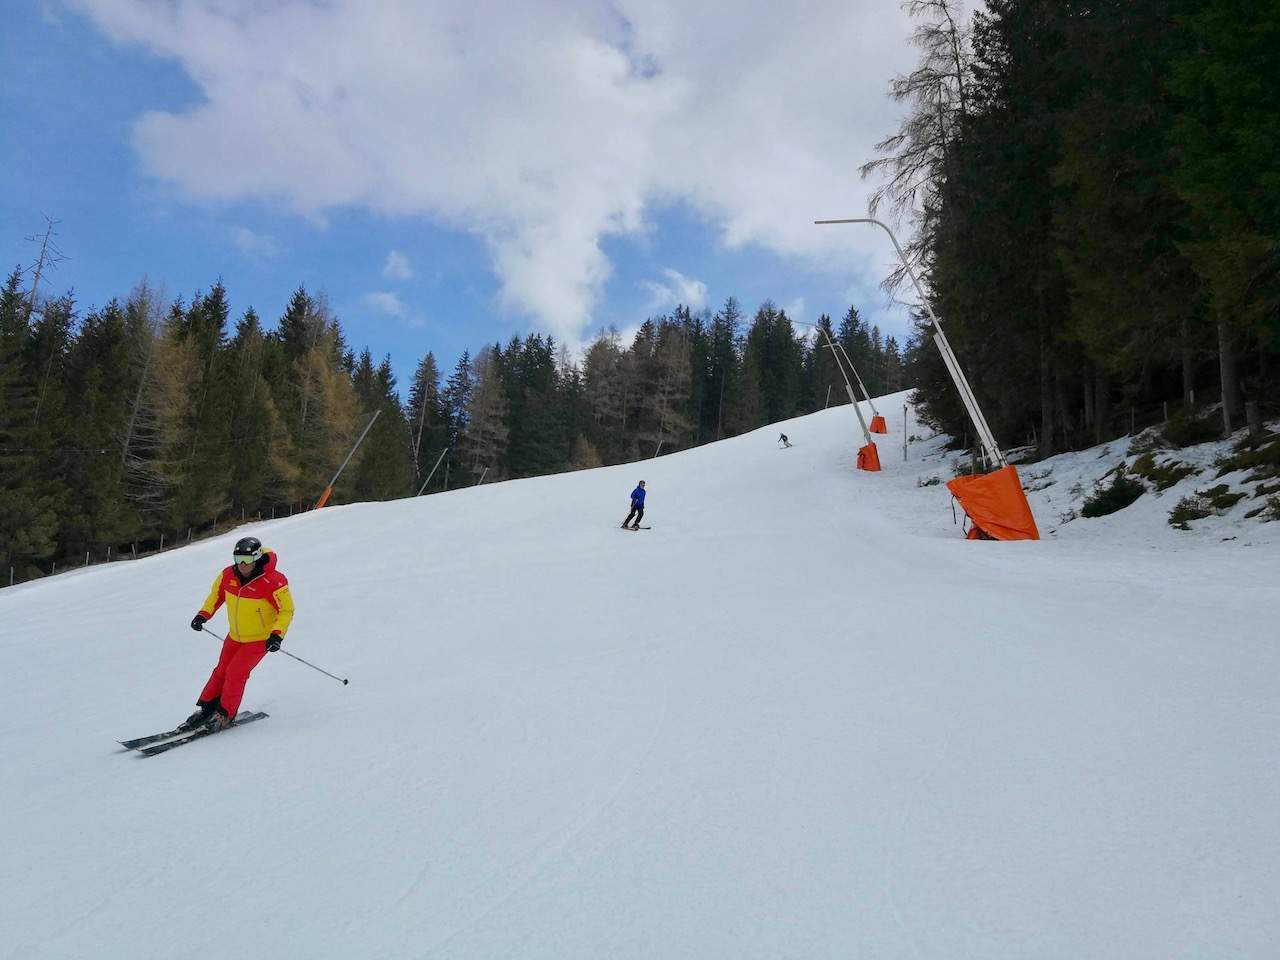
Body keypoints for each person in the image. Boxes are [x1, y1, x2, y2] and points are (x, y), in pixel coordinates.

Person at [180, 536, 295, 731]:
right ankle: (207, 710)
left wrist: (277, 635)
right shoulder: (227, 575)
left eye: (248, 560)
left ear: (257, 558)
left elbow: (286, 610)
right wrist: (203, 615)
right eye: (238, 558)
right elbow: (216, 596)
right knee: (221, 671)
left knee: (235, 673)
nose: (242, 564)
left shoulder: (273, 581)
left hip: (259, 639)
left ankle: (226, 714)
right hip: (234, 636)